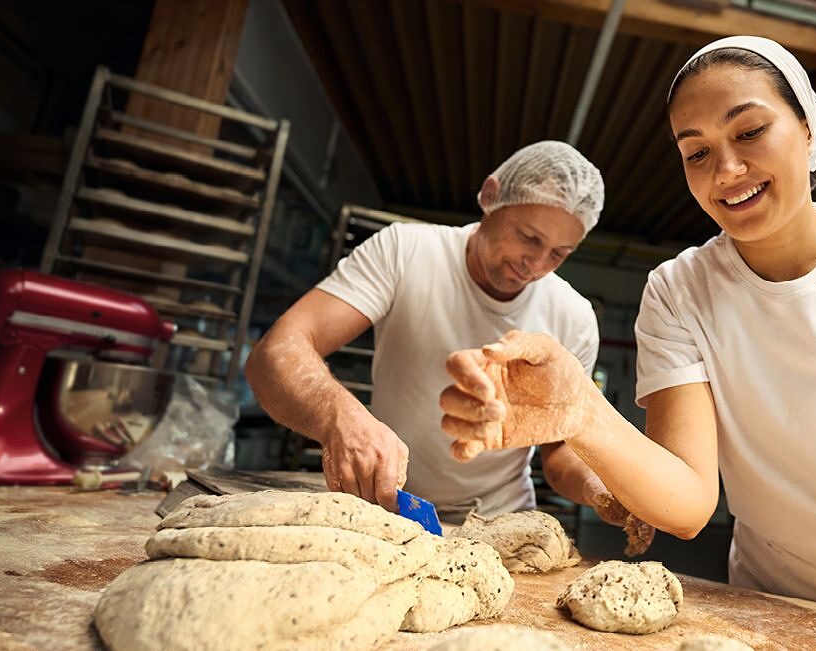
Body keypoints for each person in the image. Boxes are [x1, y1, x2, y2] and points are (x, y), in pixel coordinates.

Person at [437, 38, 816, 649]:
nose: (725, 171)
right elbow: (689, 501)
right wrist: (582, 413)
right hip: (771, 603)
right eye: (696, 152)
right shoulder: (679, 291)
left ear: (807, 128)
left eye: (749, 132)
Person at [246, 140, 652, 553]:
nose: (536, 265)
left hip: (500, 526)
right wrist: (339, 416)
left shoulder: (573, 317)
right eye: (528, 237)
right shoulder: (406, 252)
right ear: (491, 196)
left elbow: (560, 452)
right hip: (386, 507)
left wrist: (603, 489)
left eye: (559, 254)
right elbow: (275, 351)